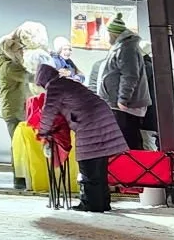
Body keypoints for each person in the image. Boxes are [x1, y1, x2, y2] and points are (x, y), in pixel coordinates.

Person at [34, 63, 128, 211]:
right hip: (102, 118)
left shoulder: (55, 87)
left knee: (88, 164)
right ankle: (102, 202)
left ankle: (91, 204)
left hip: (91, 123)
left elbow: (48, 112)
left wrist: (42, 132)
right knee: (99, 165)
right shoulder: (67, 82)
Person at [0, 27, 36, 191]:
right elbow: (30, 77)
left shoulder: (7, 63)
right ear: (10, 51)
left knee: (20, 143)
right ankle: (19, 178)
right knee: (18, 144)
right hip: (15, 111)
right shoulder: (9, 67)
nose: (22, 52)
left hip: (17, 109)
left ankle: (23, 176)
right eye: (19, 50)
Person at [98, 18, 151, 151]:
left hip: (124, 107)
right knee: (128, 141)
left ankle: (131, 169)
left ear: (113, 34)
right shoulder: (123, 47)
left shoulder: (126, 48)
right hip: (120, 106)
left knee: (128, 142)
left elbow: (130, 75)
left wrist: (123, 99)